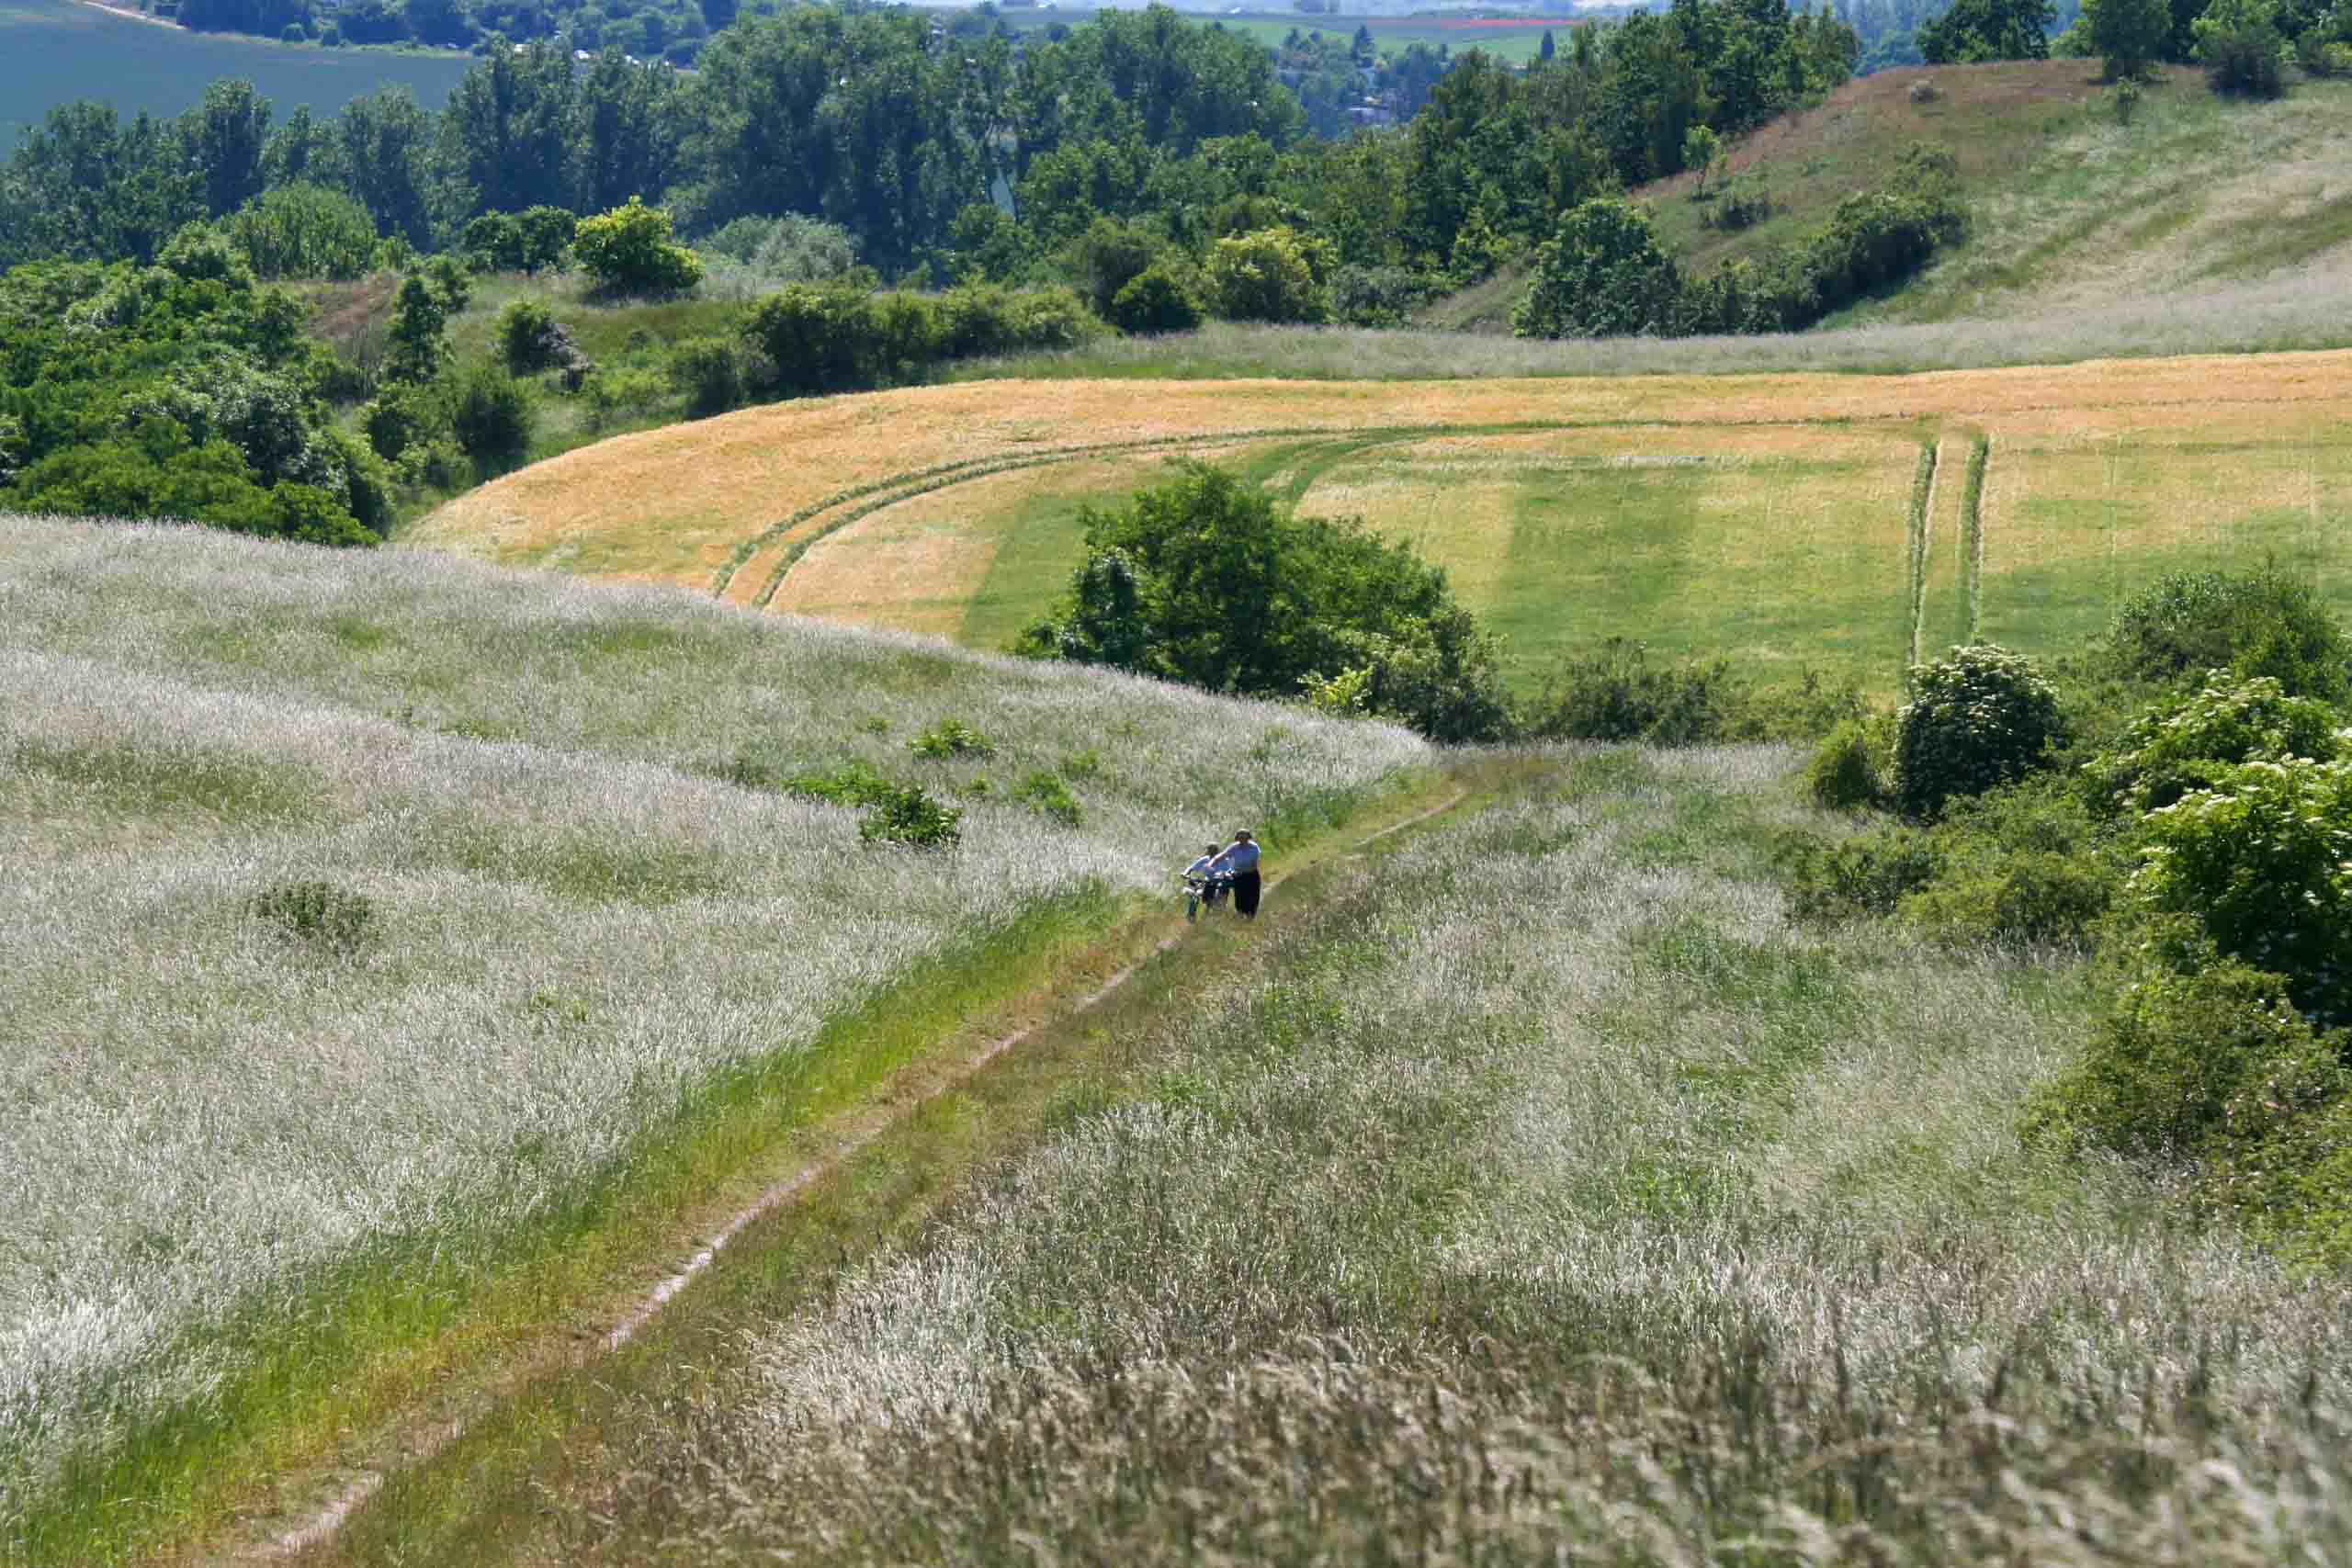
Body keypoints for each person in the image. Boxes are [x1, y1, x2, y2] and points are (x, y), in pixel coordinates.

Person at [1207, 829, 1261, 919]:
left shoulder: (1254, 847)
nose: (1242, 839)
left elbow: (1253, 864)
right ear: (1237, 838)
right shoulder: (1234, 847)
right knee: (1240, 898)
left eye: (1244, 837)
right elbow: (1221, 856)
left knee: (1253, 897)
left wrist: (1240, 870)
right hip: (1239, 877)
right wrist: (1210, 864)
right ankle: (1241, 917)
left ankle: (1251, 917)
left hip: (1251, 875)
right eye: (1240, 837)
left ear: (1248, 837)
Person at [1181, 843, 1223, 919]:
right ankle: (1191, 915)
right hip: (1204, 882)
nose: (1212, 852)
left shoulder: (1223, 860)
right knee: (1196, 895)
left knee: (1215, 897)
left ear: (1217, 851)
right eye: (1210, 850)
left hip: (1217, 883)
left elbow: (1228, 870)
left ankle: (1213, 913)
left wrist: (1221, 875)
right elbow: (1191, 867)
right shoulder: (1205, 859)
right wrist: (1185, 873)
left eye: (1214, 850)